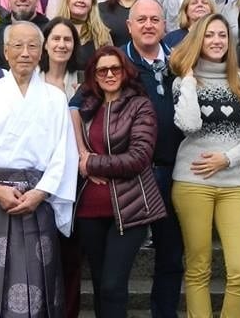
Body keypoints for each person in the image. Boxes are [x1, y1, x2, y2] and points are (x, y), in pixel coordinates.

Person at [0, 21, 79, 318]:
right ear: (5, 52)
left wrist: (39, 194)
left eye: (33, 46)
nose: (25, 53)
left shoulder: (55, 98)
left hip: (39, 198)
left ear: (41, 51)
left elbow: (64, 155)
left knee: (40, 275)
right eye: (17, 46)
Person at [170, 13, 240, 318]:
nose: (216, 41)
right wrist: (187, 81)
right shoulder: (184, 80)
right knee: (198, 268)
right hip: (192, 181)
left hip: (233, 183)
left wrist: (227, 158)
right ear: (199, 38)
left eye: (222, 35)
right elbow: (188, 125)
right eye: (209, 35)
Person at [75, 47, 168, 318]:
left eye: (115, 68)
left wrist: (91, 163)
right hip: (89, 210)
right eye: (102, 70)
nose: (109, 74)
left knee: (114, 285)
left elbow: (138, 158)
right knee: (101, 284)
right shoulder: (88, 105)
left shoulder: (140, 105)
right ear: (94, 75)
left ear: (125, 71)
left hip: (129, 208)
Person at [122, 0, 184, 318]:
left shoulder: (180, 63)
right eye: (141, 19)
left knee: (171, 256)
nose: (148, 25)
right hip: (130, 176)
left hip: (173, 172)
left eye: (155, 19)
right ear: (129, 25)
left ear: (164, 26)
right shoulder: (116, 62)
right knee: (119, 259)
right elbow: (80, 105)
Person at [58, 0, 113, 66]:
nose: (81, 0)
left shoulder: (102, 34)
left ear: (92, 3)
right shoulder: (54, 30)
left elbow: (109, 66)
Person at [40, 17, 82, 99]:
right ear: (45, 44)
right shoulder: (30, 78)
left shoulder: (83, 80)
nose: (62, 45)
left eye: (67, 40)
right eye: (56, 39)